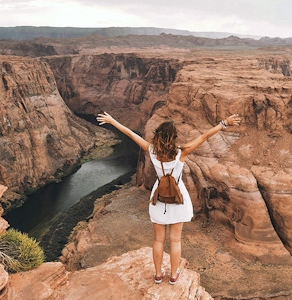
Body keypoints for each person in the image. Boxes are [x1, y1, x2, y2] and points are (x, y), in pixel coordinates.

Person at [96, 111, 241, 284]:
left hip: (159, 199)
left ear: (158, 136)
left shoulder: (152, 150)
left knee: (158, 240)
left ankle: (158, 275)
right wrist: (224, 123)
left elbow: (130, 134)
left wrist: (112, 121)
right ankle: (173, 276)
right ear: (173, 137)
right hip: (178, 199)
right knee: (175, 240)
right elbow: (205, 137)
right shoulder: (182, 152)